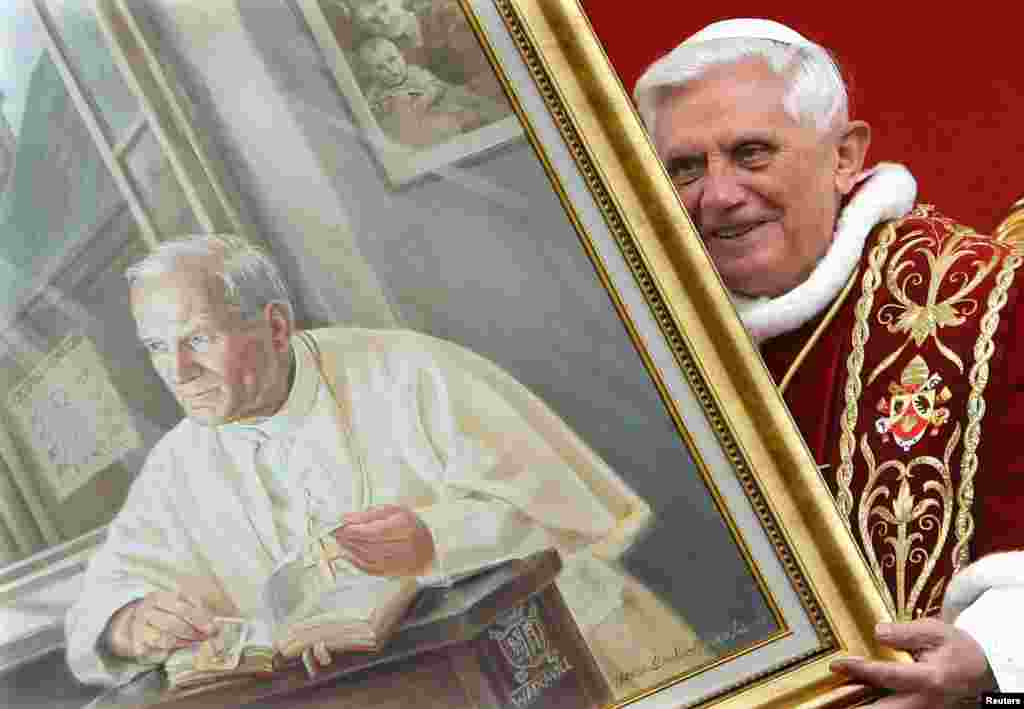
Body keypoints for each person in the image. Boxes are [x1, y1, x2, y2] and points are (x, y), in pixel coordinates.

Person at [64, 234, 707, 696]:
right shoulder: (179, 465)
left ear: (277, 327)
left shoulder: (414, 374)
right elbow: (102, 601)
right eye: (157, 348)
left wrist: (435, 537)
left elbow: (567, 513)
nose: (178, 373)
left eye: (199, 339)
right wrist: (127, 622)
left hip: (554, 662)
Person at [635, 18, 1024, 706]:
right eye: (685, 167)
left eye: (751, 153)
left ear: (844, 157)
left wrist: (990, 661)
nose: (718, 195)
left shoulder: (993, 302)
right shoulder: (647, 341)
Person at [356, 36, 507, 147]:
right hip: (421, 123)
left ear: (401, 55)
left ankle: (496, 120)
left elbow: (438, 87)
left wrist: (427, 97)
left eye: (392, 59)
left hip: (439, 104)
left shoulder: (414, 72)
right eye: (380, 68)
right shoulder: (375, 91)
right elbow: (370, 112)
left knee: (469, 101)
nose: (391, 70)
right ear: (371, 73)